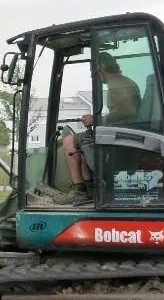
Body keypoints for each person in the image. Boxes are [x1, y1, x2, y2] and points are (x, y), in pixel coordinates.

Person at [57, 52, 141, 204]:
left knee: (69, 140)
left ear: (101, 67)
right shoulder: (125, 82)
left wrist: (96, 119)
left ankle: (79, 190)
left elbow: (129, 112)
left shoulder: (117, 84)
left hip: (120, 135)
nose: (95, 75)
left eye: (95, 70)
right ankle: (90, 186)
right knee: (80, 143)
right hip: (122, 132)